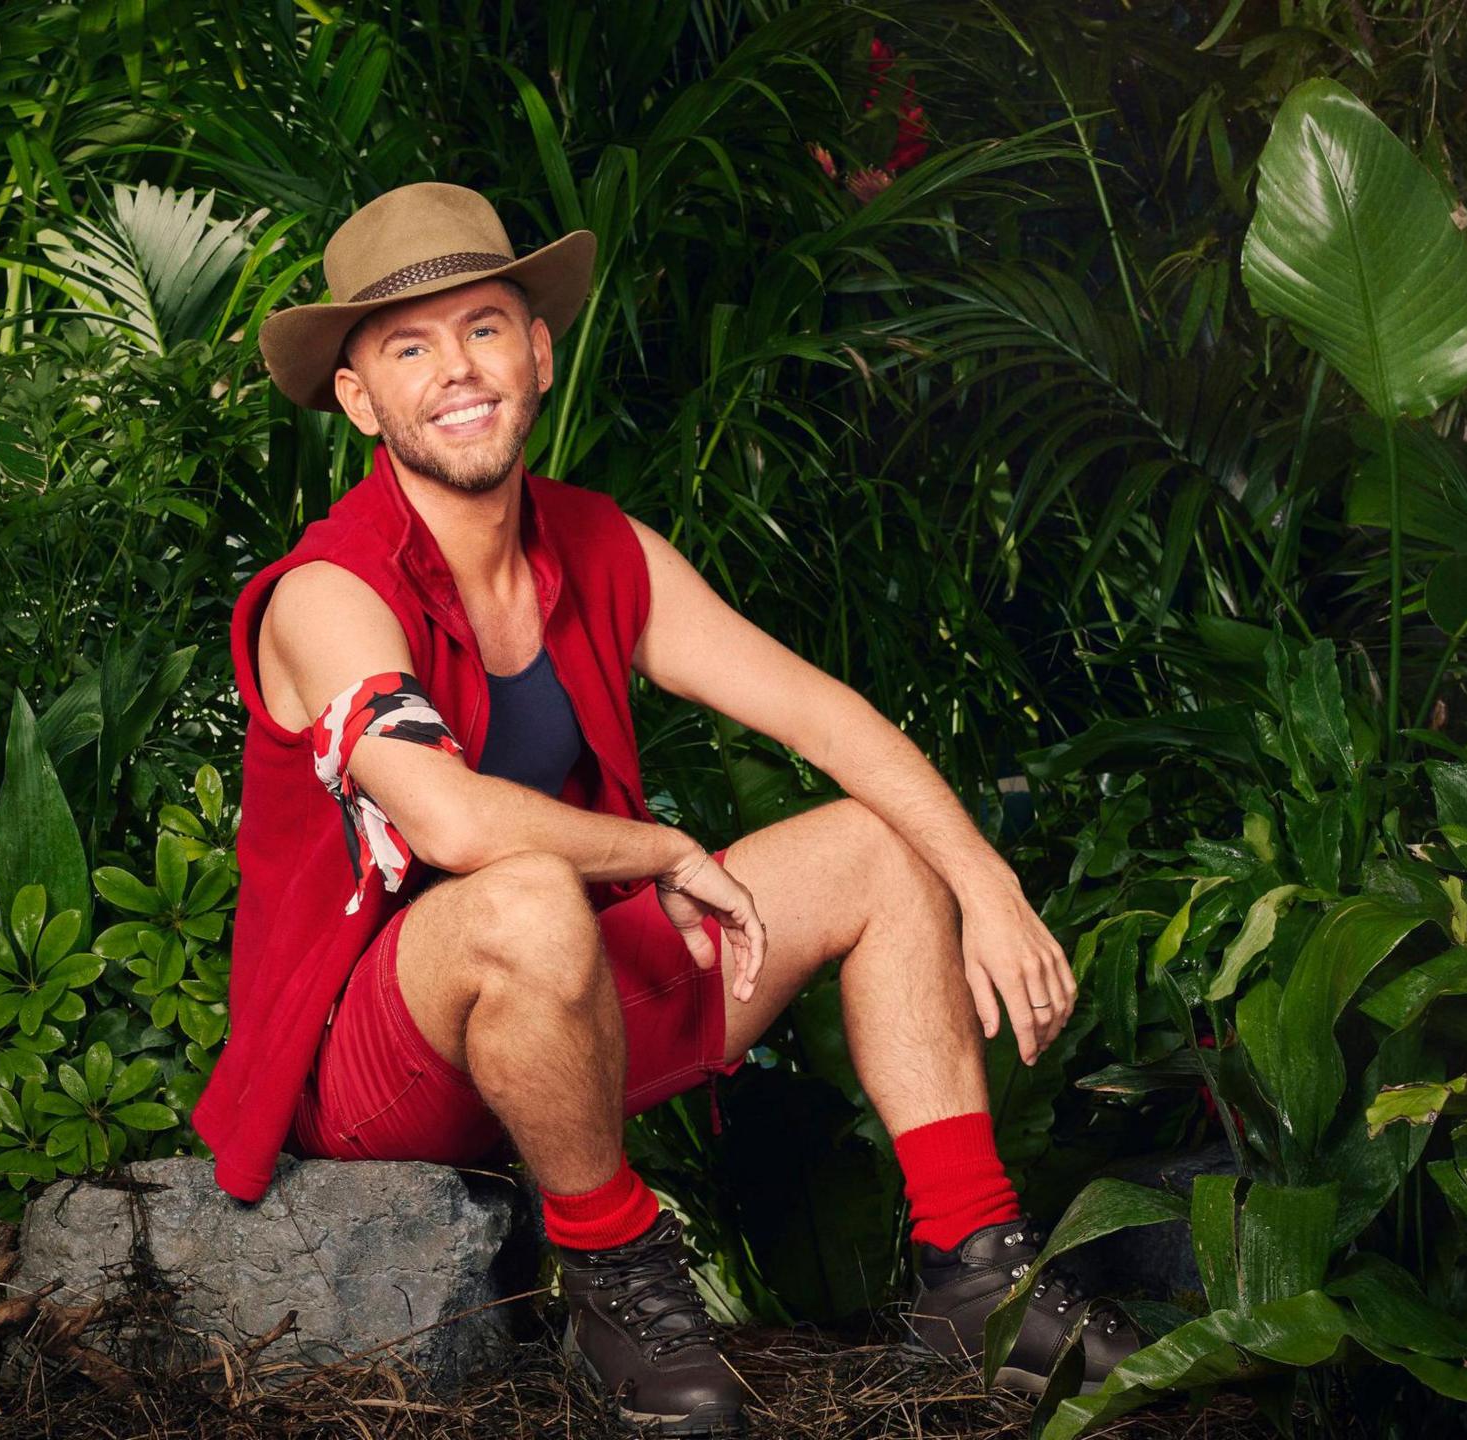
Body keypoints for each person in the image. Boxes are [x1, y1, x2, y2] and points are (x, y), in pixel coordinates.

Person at [195, 181, 1139, 1436]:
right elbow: (451, 827)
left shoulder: (596, 546)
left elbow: (826, 718)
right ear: (360, 398)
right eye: (407, 348)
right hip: (385, 1064)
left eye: (482, 328)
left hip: (566, 1008)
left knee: (870, 843)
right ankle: (617, 1277)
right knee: (522, 893)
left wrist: (985, 883)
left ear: (536, 350)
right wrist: (662, 849)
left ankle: (976, 1273)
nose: (456, 371)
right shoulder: (326, 595)